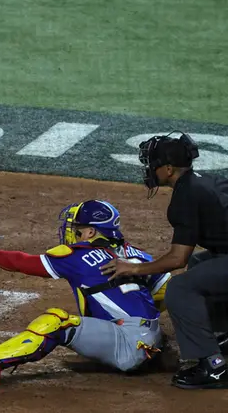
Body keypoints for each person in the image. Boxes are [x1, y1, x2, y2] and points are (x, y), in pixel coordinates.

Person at [0, 200, 169, 388]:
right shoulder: (140, 256)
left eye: (78, 230)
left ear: (91, 232)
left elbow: (24, 263)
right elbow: (165, 293)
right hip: (152, 343)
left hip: (128, 348)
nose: (73, 234)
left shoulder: (78, 255)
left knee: (56, 322)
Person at [101, 133, 228, 389]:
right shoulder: (206, 181)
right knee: (200, 264)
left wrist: (134, 267)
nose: (150, 169)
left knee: (180, 288)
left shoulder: (187, 195)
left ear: (168, 169)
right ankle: (222, 337)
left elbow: (177, 258)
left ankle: (213, 366)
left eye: (153, 164)